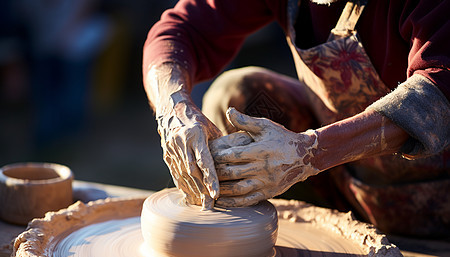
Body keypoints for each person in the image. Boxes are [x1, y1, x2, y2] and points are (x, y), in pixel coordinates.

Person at [142, 0, 450, 236]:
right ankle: (253, 239)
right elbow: (181, 29)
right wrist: (174, 109)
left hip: (441, 200)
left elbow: (438, 93)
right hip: (345, 181)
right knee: (237, 95)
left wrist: (310, 152)